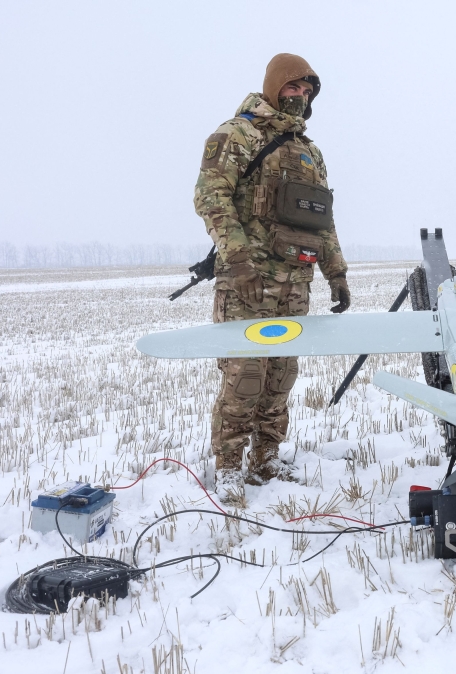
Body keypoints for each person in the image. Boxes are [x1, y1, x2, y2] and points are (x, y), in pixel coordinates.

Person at [194, 53, 350, 502]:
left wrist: (336, 273)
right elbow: (211, 199)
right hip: (249, 280)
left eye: (307, 91)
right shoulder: (235, 134)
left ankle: (265, 458)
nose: (300, 96)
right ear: (274, 86)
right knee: (245, 375)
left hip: (295, 281)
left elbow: (323, 220)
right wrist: (239, 258)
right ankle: (227, 466)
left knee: (281, 375)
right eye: (293, 88)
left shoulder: (309, 151)